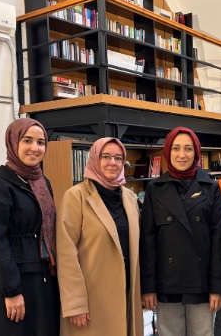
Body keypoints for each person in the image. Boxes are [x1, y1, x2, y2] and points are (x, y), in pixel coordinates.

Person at [0, 118, 59, 336]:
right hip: (12, 283)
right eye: (27, 140)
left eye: (41, 142)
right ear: (13, 142)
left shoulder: (42, 183)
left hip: (41, 280)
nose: (35, 148)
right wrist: (11, 291)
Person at [140, 126, 221, 336]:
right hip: (166, 285)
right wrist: (148, 287)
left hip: (202, 285)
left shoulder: (211, 188)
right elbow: (147, 242)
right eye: (176, 148)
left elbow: (219, 242)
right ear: (168, 151)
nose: (182, 154)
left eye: (188, 148)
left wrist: (217, 287)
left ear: (196, 153)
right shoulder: (154, 189)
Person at [56, 137, 143, 336]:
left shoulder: (130, 198)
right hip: (91, 302)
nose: (112, 162)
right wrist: (75, 304)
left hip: (126, 297)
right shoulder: (75, 197)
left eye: (118, 158)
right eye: (106, 157)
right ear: (94, 159)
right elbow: (66, 253)